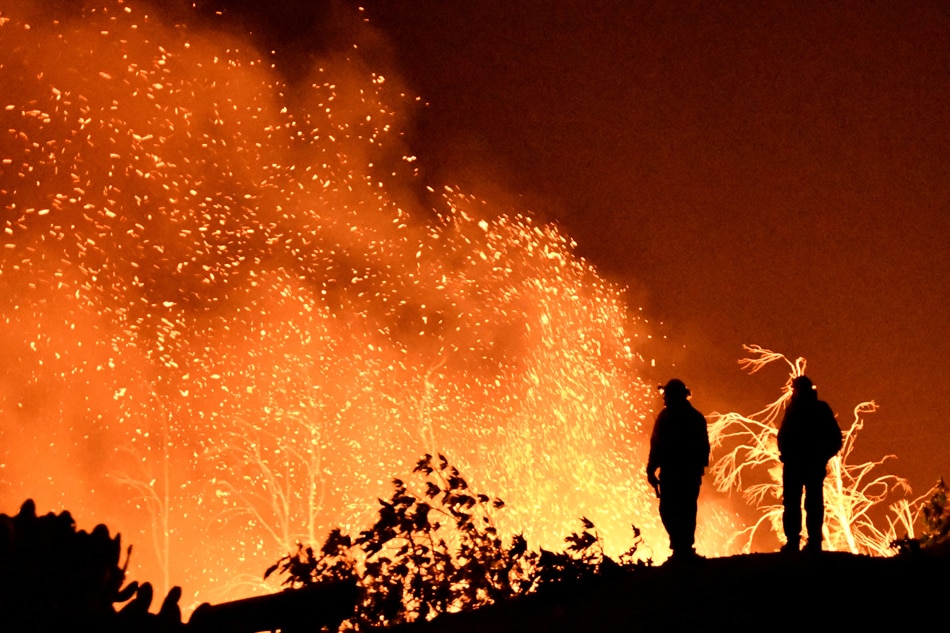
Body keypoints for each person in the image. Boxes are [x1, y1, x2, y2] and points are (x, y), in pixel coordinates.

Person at [646, 379, 710, 561]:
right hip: (683, 473)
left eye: (667, 396)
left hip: (679, 473)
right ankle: (682, 548)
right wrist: (651, 470)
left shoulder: (674, 418)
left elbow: (657, 445)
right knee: (678, 510)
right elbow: (657, 446)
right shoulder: (692, 417)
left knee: (678, 510)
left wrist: (651, 470)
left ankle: (683, 550)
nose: (664, 399)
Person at [777, 375, 843, 552]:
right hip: (800, 464)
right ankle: (801, 541)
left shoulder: (814, 409)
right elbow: (783, 435)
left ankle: (807, 541)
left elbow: (835, 439)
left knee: (807, 503)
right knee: (798, 503)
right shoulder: (804, 409)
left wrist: (821, 456)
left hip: (806, 464)